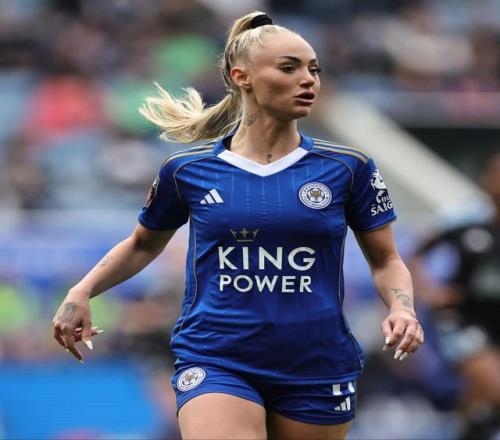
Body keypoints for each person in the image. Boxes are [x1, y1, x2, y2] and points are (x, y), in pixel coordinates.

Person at [52, 11, 424, 439]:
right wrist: (81, 290)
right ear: (241, 76)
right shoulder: (187, 170)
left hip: (316, 362)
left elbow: (386, 259)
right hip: (217, 357)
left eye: (314, 69)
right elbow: (142, 244)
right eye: (289, 68)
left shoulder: (347, 167)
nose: (308, 80)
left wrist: (402, 308)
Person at [411, 153, 500, 440]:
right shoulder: (465, 217)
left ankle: (470, 429)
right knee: (494, 386)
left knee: (481, 399)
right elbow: (413, 255)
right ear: (487, 179)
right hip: (464, 317)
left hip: (496, 317)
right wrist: (429, 291)